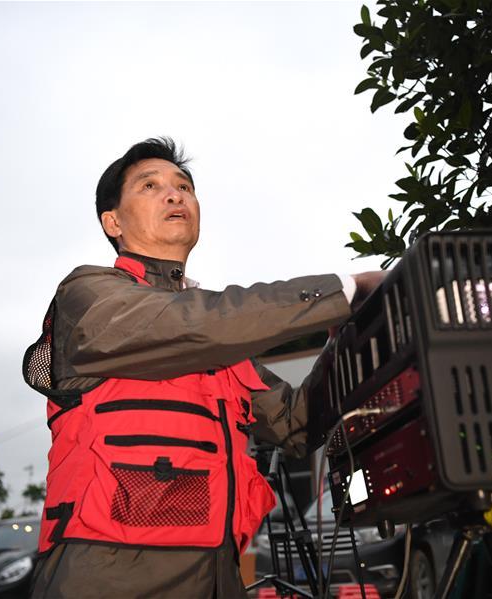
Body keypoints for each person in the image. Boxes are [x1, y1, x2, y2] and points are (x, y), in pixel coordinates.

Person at [23, 137, 384, 597]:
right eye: (150, 186)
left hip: (219, 576)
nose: (174, 195)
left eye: (184, 187)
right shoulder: (88, 293)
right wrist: (346, 289)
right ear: (112, 221)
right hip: (108, 574)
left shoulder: (222, 339)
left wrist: (342, 343)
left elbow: (296, 425)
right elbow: (188, 323)